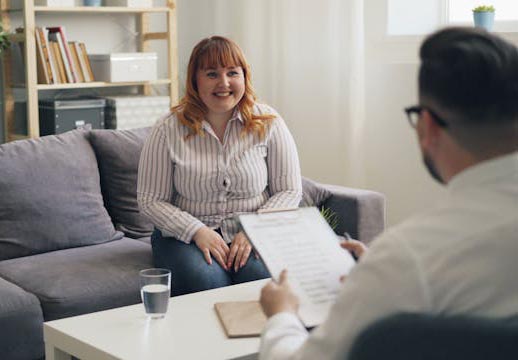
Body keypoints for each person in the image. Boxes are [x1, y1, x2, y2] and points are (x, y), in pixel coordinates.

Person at [259, 27, 518, 360]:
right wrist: (380, 272)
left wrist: (282, 314)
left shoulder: (407, 258)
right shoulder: (402, 264)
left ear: (427, 128)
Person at [137, 36, 302, 296]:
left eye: (232, 73)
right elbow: (150, 200)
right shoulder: (167, 128)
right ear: (195, 81)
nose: (223, 83)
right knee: (207, 281)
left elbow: (289, 191)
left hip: (253, 232)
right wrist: (196, 231)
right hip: (186, 236)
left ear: (244, 78)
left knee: (259, 279)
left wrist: (253, 230)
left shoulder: (268, 122)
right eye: (212, 74)